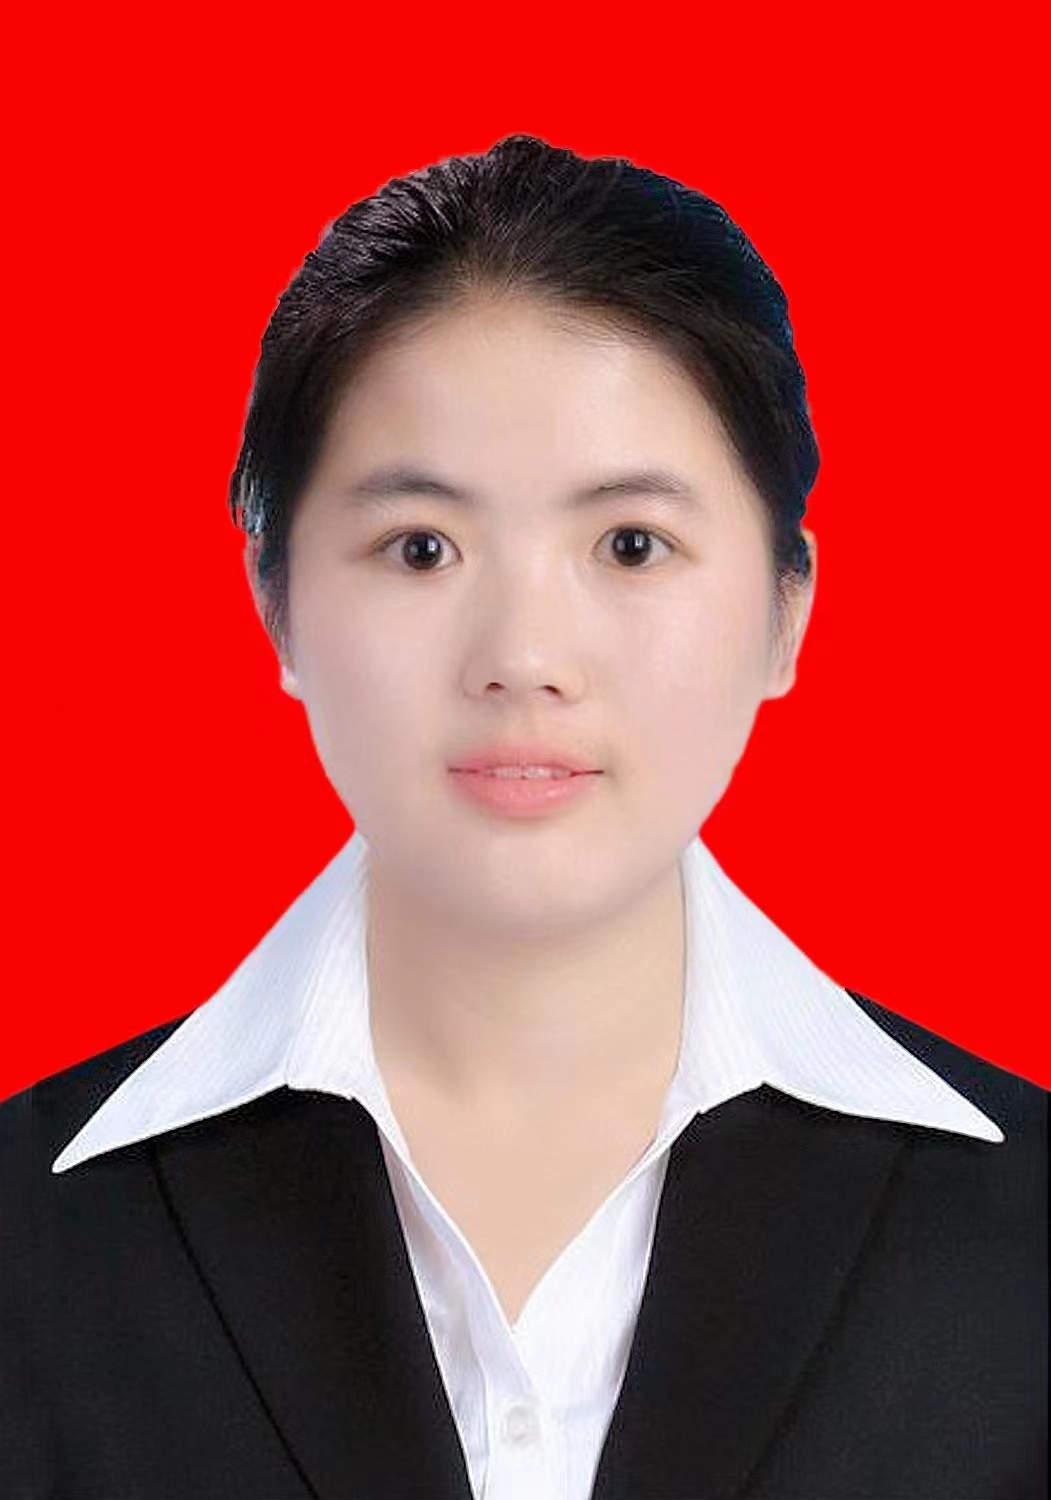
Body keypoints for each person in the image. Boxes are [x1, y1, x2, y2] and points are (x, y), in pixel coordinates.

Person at [1, 135, 1045, 1500]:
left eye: (630, 545)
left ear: (787, 608)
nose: (525, 657)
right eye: (421, 548)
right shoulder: (30, 1237)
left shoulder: (1023, 1237)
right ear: (277, 603)